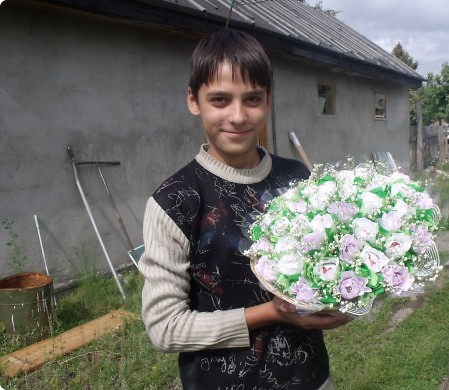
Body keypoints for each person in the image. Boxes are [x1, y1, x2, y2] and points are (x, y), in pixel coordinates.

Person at [138, 28, 352, 389]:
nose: (237, 116)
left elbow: (326, 270)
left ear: (268, 100)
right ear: (194, 100)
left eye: (252, 99)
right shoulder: (175, 201)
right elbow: (165, 329)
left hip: (312, 378)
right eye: (219, 100)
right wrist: (270, 313)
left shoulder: (297, 178)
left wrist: (344, 296)